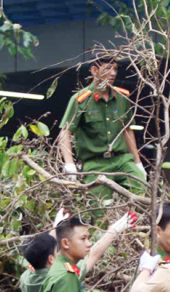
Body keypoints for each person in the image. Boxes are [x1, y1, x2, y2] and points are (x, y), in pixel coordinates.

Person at [57, 56, 146, 198]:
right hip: (95, 164)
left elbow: (127, 130)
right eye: (107, 69)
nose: (113, 73)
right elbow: (65, 132)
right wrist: (69, 164)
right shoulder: (81, 100)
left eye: (115, 69)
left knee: (142, 193)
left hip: (122, 160)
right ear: (94, 70)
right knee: (99, 209)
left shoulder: (122, 98)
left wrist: (137, 162)